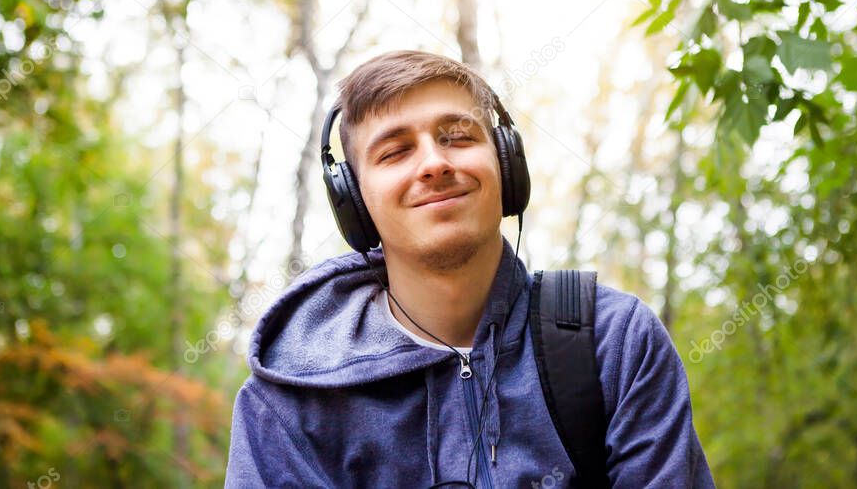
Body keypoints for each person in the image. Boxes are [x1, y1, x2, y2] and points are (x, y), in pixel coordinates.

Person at [224, 50, 716, 488]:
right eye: (395, 151)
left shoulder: (613, 342)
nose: (434, 163)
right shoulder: (291, 396)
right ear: (354, 200)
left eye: (458, 137)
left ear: (506, 164)